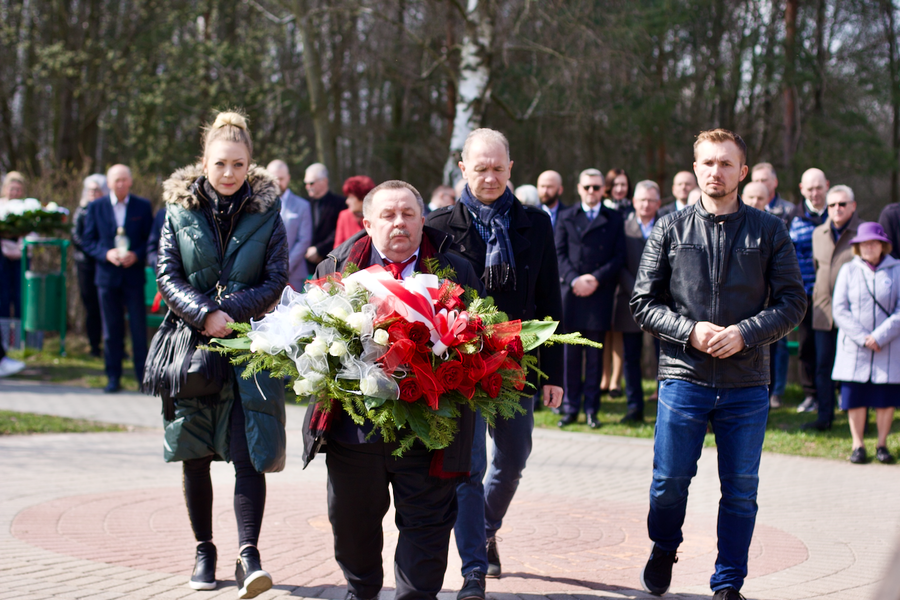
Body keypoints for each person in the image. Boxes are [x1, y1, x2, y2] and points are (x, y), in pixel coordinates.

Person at [631, 129, 806, 599]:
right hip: (683, 375)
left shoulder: (770, 231)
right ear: (694, 169)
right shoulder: (669, 227)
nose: (716, 171)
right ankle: (664, 545)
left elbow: (793, 302)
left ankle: (728, 582)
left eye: (726, 163)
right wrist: (689, 330)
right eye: (707, 163)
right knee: (669, 483)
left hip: (746, 382)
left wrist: (746, 332)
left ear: (743, 172)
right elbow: (642, 302)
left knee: (741, 491)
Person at [302, 180, 482, 600]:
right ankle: (361, 590)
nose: (398, 223)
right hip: (355, 431)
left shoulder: (457, 270)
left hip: (430, 433)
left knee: (426, 534)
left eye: (407, 214)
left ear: (423, 220)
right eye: (387, 215)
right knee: (351, 527)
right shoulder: (337, 269)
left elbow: (479, 341)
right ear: (367, 223)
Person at [144, 110, 289, 597]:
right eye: (220, 163)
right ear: (204, 162)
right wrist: (204, 314)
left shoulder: (269, 212)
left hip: (250, 348)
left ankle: (249, 554)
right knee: (195, 452)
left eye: (238, 164)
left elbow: (276, 278)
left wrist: (232, 312)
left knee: (250, 452)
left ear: (250, 164)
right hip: (190, 346)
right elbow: (167, 275)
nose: (229, 173)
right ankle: (204, 549)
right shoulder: (178, 210)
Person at [425, 128, 564, 597]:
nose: (489, 177)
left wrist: (555, 372)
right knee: (469, 466)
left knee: (513, 457)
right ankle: (474, 569)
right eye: (479, 168)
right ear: (463, 168)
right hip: (461, 364)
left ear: (511, 169)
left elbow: (550, 301)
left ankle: (485, 527)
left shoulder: (536, 223)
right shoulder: (438, 226)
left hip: (517, 363)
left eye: (498, 168)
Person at [556, 168, 625, 428]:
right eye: (587, 187)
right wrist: (575, 279)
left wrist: (595, 279)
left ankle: (592, 410)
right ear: (579, 188)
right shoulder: (565, 216)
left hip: (599, 294)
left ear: (602, 190)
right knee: (570, 355)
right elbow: (559, 252)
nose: (591, 192)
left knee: (595, 357)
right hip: (572, 293)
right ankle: (570, 407)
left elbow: (618, 257)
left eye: (596, 187)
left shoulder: (614, 218)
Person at [831, 222, 900, 464]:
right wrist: (862, 337)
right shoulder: (849, 270)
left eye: (873, 242)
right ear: (858, 246)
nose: (869, 246)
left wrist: (879, 336)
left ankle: (882, 444)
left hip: (887, 346)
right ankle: (857, 444)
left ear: (883, 245)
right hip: (855, 347)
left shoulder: (898, 269)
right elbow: (839, 309)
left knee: (885, 397)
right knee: (856, 396)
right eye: (864, 243)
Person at [81, 164, 153, 393]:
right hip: (107, 278)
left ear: (130, 182)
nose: (121, 184)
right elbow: (87, 241)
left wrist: (137, 255)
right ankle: (113, 377)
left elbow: (150, 240)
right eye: (116, 180)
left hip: (133, 277)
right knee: (111, 330)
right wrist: (106, 253)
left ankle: (144, 377)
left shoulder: (142, 206)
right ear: (109, 184)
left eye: (124, 179)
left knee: (138, 329)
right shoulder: (96, 207)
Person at [806, 185, 861, 430]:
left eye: (842, 204)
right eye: (831, 205)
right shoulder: (818, 233)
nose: (836, 209)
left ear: (853, 206)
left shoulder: (863, 233)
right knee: (823, 367)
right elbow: (819, 269)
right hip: (823, 311)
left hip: (853, 314)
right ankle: (824, 417)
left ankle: (859, 420)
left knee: (855, 368)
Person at [612, 180, 661, 423]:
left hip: (662, 302)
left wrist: (654, 291)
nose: (646, 204)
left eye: (651, 200)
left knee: (664, 356)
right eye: (642, 199)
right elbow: (618, 263)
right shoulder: (622, 227)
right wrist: (639, 291)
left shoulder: (668, 224)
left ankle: (665, 406)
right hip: (630, 301)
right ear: (634, 202)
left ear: (658, 203)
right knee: (631, 357)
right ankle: (634, 407)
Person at [783, 168, 829, 410]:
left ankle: (836, 392)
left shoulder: (837, 213)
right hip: (805, 295)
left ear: (827, 187)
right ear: (802, 189)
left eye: (819, 187)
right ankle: (810, 394)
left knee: (833, 346)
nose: (815, 193)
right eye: (810, 188)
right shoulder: (793, 217)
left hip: (832, 295)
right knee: (807, 345)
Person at [72, 174, 108, 357]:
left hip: (104, 264)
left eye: (97, 190)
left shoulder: (106, 210)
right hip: (86, 265)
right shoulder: (82, 211)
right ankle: (94, 345)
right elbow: (77, 237)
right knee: (91, 306)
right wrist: (93, 251)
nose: (93, 193)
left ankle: (111, 345)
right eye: (91, 190)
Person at [267, 160, 313, 289]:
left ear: (288, 178)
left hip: (293, 274)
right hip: (264, 274)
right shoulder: (259, 205)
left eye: (281, 179)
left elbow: (304, 240)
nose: (277, 183)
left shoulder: (302, 206)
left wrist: (285, 265)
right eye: (273, 179)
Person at [303, 162, 346, 272]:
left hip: (331, 262)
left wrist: (319, 250)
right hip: (305, 263)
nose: (308, 186)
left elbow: (339, 232)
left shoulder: (340, 203)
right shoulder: (303, 204)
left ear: (324, 181)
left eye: (311, 183)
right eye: (306, 183)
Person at [0, 171, 27, 319]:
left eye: (18, 189)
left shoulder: (27, 207)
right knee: (2, 295)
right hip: (1, 258)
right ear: (5, 189)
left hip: (21, 257)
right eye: (12, 189)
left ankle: (19, 336)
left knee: (20, 295)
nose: (15, 192)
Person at [334, 175, 375, 247]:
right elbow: (338, 248)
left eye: (351, 197)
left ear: (363, 198)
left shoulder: (376, 216)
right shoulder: (344, 216)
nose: (347, 201)